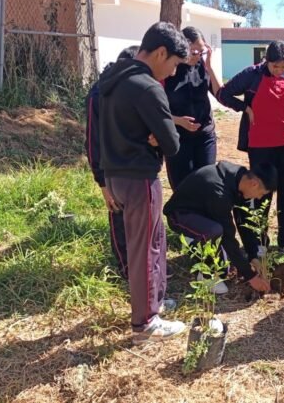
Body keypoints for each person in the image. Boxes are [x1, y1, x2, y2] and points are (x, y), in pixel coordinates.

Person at [98, 22, 189, 345]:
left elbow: (97, 134)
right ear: (161, 53)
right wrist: (158, 138)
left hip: (115, 176)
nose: (173, 72)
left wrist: (102, 180)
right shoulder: (148, 87)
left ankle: (151, 305)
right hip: (140, 179)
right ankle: (146, 323)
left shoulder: (109, 81)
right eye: (174, 64)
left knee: (144, 246)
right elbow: (173, 143)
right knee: (146, 248)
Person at [217, 40, 284, 258]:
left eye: (283, 67)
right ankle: (260, 241)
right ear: (266, 62)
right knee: (261, 193)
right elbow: (224, 93)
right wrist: (244, 107)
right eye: (274, 66)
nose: (279, 71)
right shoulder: (252, 75)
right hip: (260, 146)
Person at [163, 161, 277, 295]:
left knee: (224, 269)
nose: (259, 197)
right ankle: (205, 273)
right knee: (214, 231)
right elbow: (228, 235)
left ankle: (202, 243)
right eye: (261, 193)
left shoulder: (239, 178)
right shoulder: (219, 191)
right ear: (254, 184)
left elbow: (243, 220)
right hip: (180, 216)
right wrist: (250, 276)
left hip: (207, 214)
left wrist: (253, 255)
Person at [85, 45, 139, 281]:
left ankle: (143, 269)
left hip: (138, 169)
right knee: (119, 219)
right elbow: (92, 142)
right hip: (113, 171)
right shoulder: (100, 95)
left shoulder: (134, 91)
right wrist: (102, 184)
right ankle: (127, 269)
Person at [162, 26, 221, 190]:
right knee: (182, 188)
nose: (196, 56)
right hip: (178, 137)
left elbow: (221, 94)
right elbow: (155, 108)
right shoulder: (169, 69)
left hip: (205, 136)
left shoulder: (203, 66)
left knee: (207, 184)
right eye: (193, 52)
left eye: (200, 52)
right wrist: (178, 121)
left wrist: (209, 66)